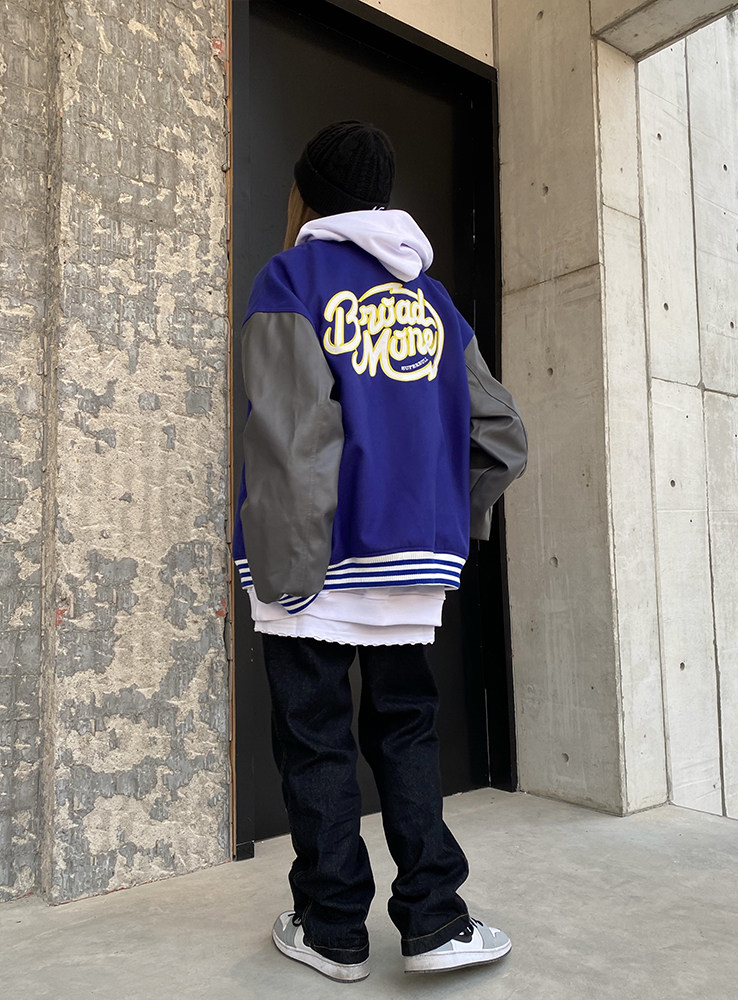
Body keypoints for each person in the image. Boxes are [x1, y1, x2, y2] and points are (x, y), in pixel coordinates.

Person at [232, 121, 527, 982]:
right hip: (407, 567)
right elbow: (501, 434)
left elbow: (291, 436)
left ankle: (332, 930)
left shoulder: (290, 279)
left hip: (313, 560)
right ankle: (435, 922)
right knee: (407, 733)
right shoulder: (434, 300)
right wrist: (443, 526)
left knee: (315, 739)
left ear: (306, 193)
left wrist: (284, 578)